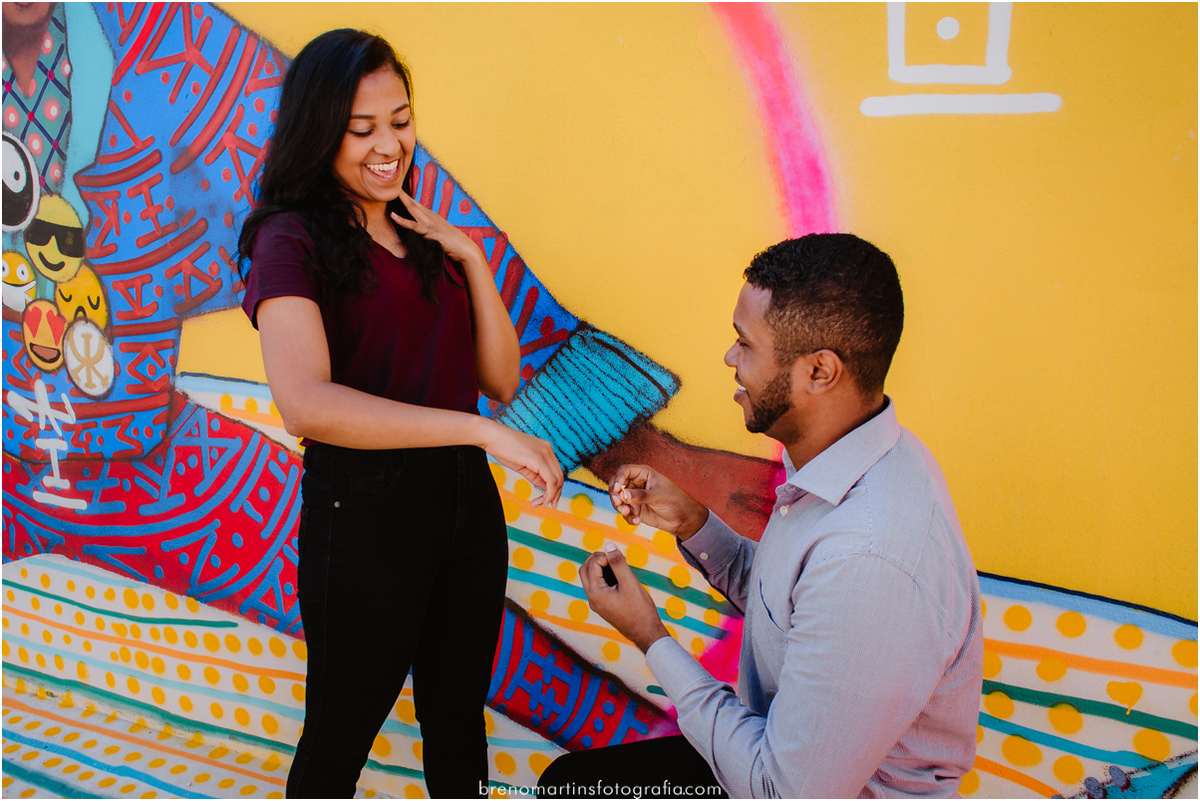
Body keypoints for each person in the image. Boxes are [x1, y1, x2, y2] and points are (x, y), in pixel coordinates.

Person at [237, 29, 564, 799]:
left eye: (401, 120)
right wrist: (478, 429)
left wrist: (471, 259)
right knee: (337, 745)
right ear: (320, 130)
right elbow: (304, 404)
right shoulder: (290, 238)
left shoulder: (417, 227)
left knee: (458, 726)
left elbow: (500, 378)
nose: (390, 145)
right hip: (365, 518)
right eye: (363, 129)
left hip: (463, 511)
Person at [540, 234, 983, 798]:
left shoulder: (868, 559)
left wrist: (649, 636)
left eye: (744, 344)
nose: (729, 359)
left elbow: (780, 789)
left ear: (819, 371)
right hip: (775, 756)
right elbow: (793, 608)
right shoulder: (857, 458)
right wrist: (695, 523)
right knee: (572, 785)